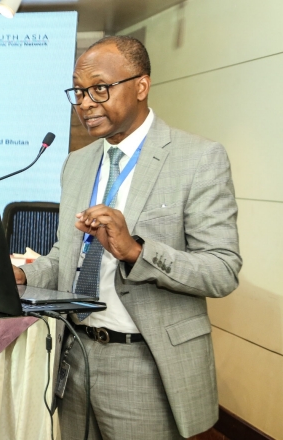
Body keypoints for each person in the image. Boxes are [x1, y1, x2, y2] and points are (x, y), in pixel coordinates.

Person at [13, 36, 241, 439]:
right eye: (79, 91)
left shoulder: (198, 158)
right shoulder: (77, 163)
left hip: (144, 363)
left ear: (140, 85)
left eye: (99, 88)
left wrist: (136, 252)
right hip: (75, 353)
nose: (85, 103)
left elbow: (222, 270)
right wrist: (25, 276)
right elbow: (65, 256)